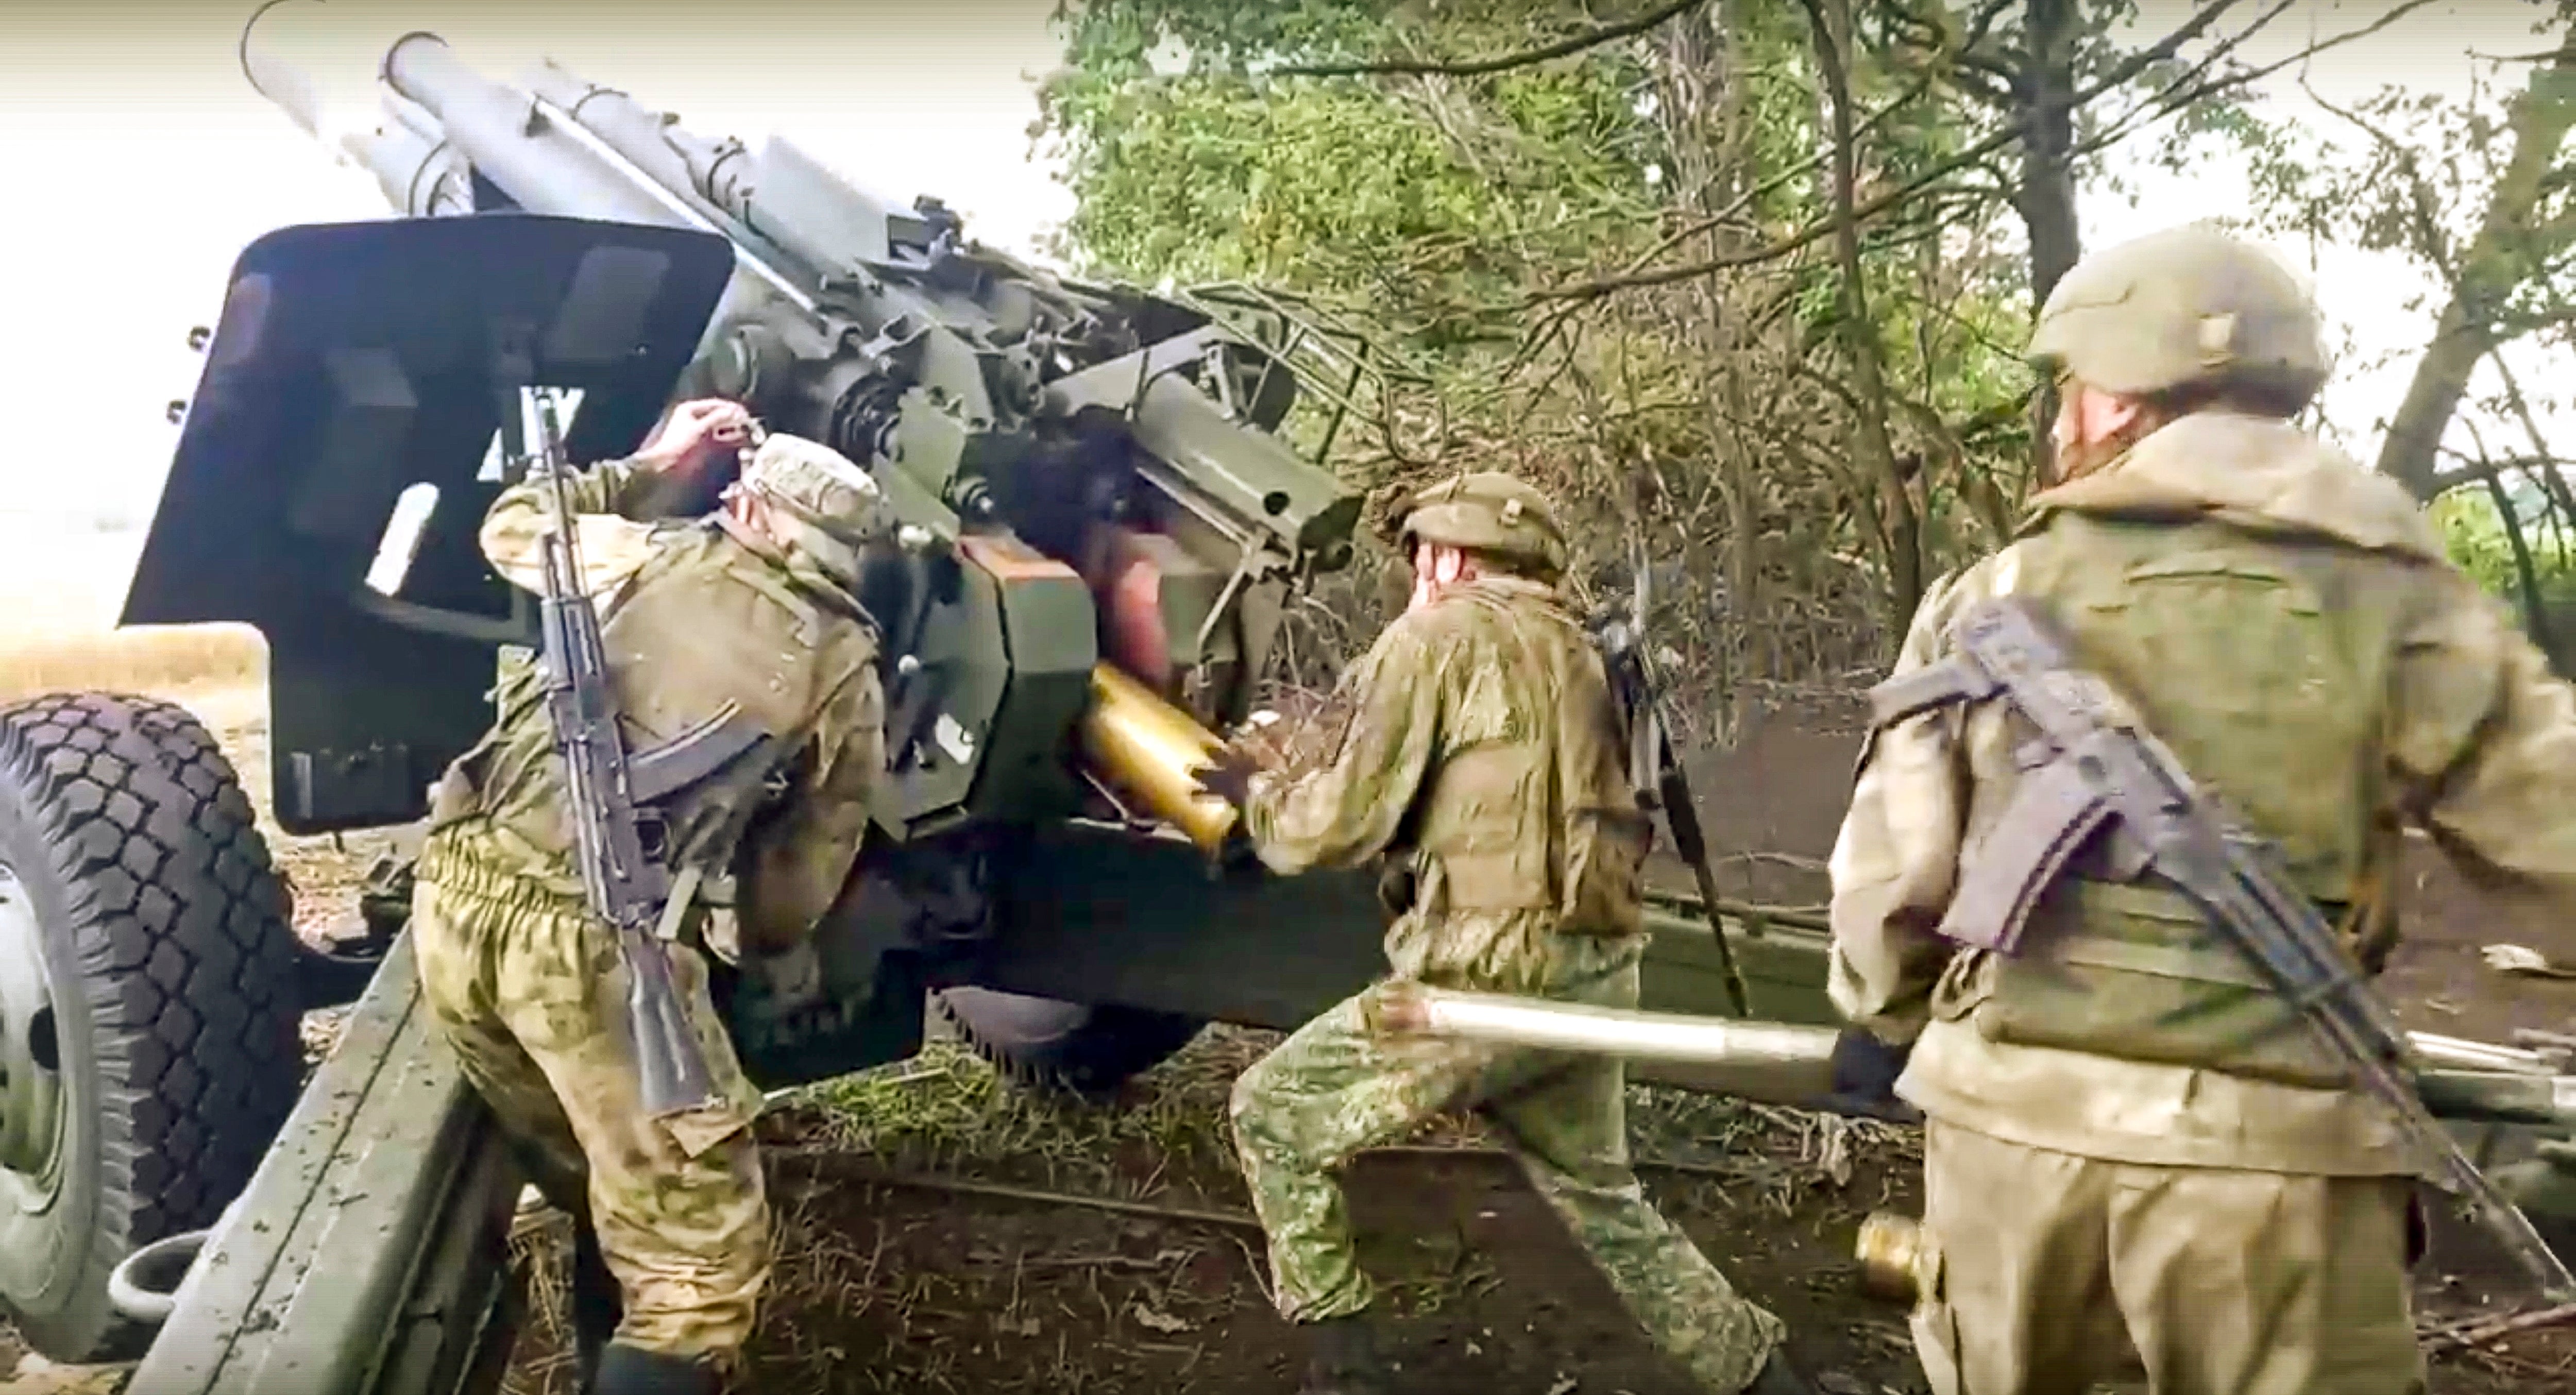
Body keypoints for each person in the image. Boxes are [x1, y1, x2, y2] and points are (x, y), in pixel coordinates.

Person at [1826, 223, 2576, 1395]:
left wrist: (1877, 1015)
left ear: (2117, 396)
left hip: (2015, 1140)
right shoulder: (2394, 595)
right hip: (2273, 1160)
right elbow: (2558, 841)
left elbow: (1901, 866)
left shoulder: (1995, 590)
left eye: (2072, 385)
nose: (2065, 414)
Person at [1196, 472, 1814, 1395]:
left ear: (1445, 555)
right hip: (1595, 967)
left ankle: (1348, 1371)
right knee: (1607, 1200)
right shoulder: (1588, 648)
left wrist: (1258, 800)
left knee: (1273, 1114)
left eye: (1418, 560)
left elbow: (1339, 826)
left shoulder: (1435, 637)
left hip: (1484, 983)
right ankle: (1768, 1379)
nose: (1415, 580)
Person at [410, 399, 893, 1395]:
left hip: (453, 908)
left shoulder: (638, 554)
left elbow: (511, 521)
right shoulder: (841, 661)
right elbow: (814, 853)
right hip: (597, 951)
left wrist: (649, 460)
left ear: (754, 511)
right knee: (700, 1267)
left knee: (605, 1181)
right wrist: (741, 951)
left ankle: (609, 1352)